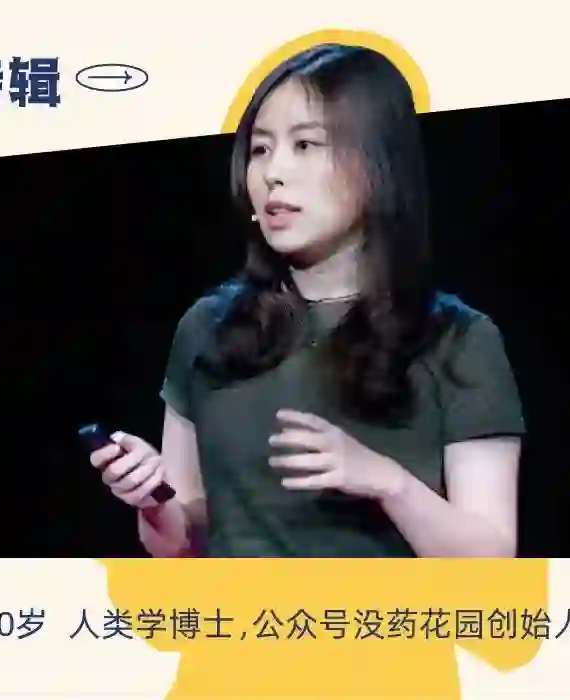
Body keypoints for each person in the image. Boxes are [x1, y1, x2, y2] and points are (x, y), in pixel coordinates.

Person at [89, 44, 525, 558]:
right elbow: (181, 548)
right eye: (260, 149)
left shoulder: (457, 339)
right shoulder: (208, 329)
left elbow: (492, 563)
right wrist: (154, 502)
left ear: (377, 164)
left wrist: (388, 483)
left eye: (305, 145)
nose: (273, 172)